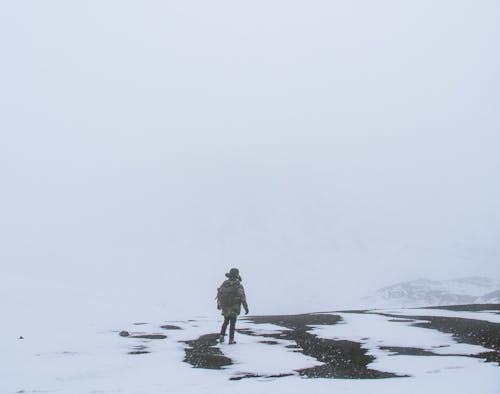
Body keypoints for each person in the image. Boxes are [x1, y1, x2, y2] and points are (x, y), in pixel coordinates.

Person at [216, 268, 249, 344]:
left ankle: (221, 336)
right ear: (237, 275)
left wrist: (219, 305)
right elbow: (242, 297)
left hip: (225, 307)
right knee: (232, 323)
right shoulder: (238, 284)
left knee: (225, 322)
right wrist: (246, 308)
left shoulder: (225, 283)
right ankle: (231, 340)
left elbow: (219, 294)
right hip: (234, 306)